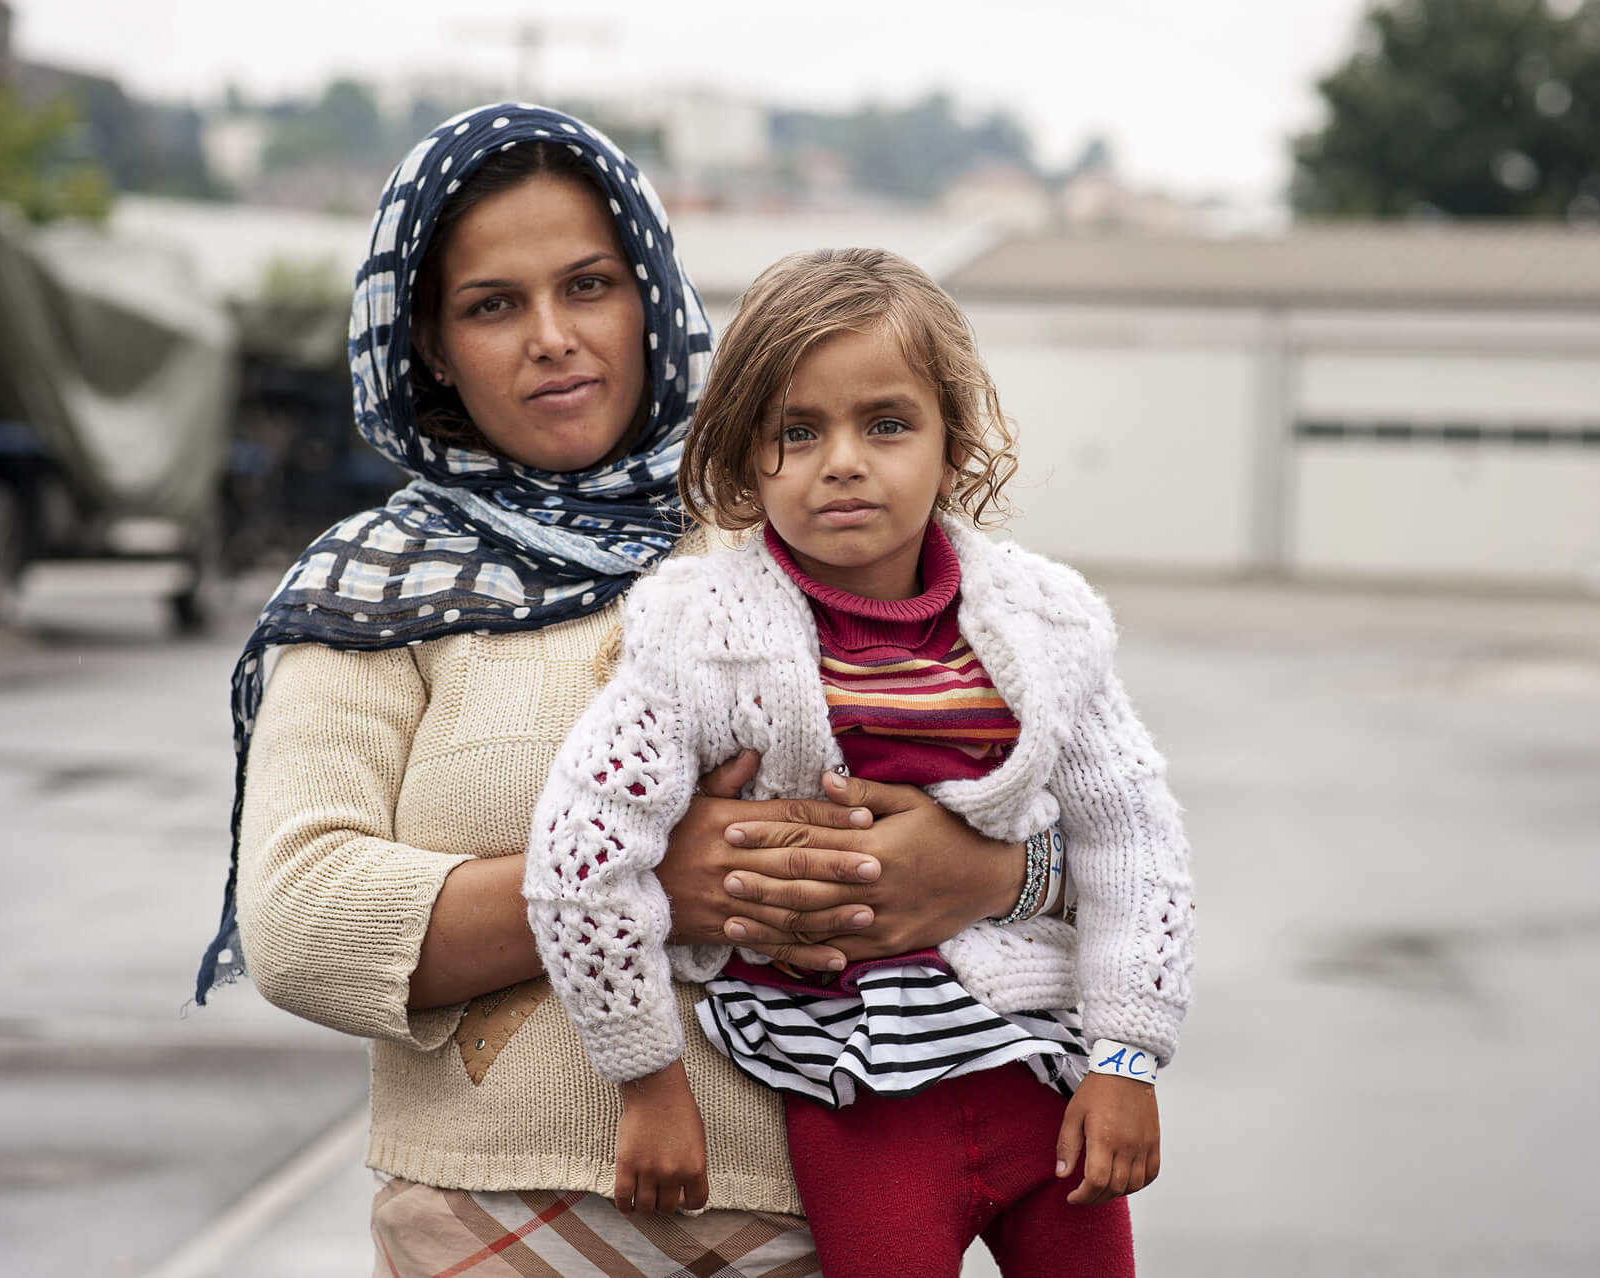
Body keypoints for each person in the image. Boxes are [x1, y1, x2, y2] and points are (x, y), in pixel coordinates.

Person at [194, 107, 1043, 1277]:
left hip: (820, 1212)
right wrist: (648, 879)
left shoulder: (790, 521)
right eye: (493, 304)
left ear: (650, 293)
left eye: (589, 285)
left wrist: (992, 873)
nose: (552, 337)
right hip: (485, 1226)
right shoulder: (371, 586)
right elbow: (300, 919)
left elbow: (1077, 800)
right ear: (431, 345)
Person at [522, 248, 1196, 1278]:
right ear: (748, 458)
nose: (843, 459)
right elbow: (581, 857)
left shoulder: (1046, 620)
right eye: (798, 431)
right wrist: (646, 1077)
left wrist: (1125, 1057)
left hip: (1048, 1088)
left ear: (951, 443)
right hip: (859, 1108)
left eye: (886, 422)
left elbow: (1133, 837)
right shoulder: (695, 633)